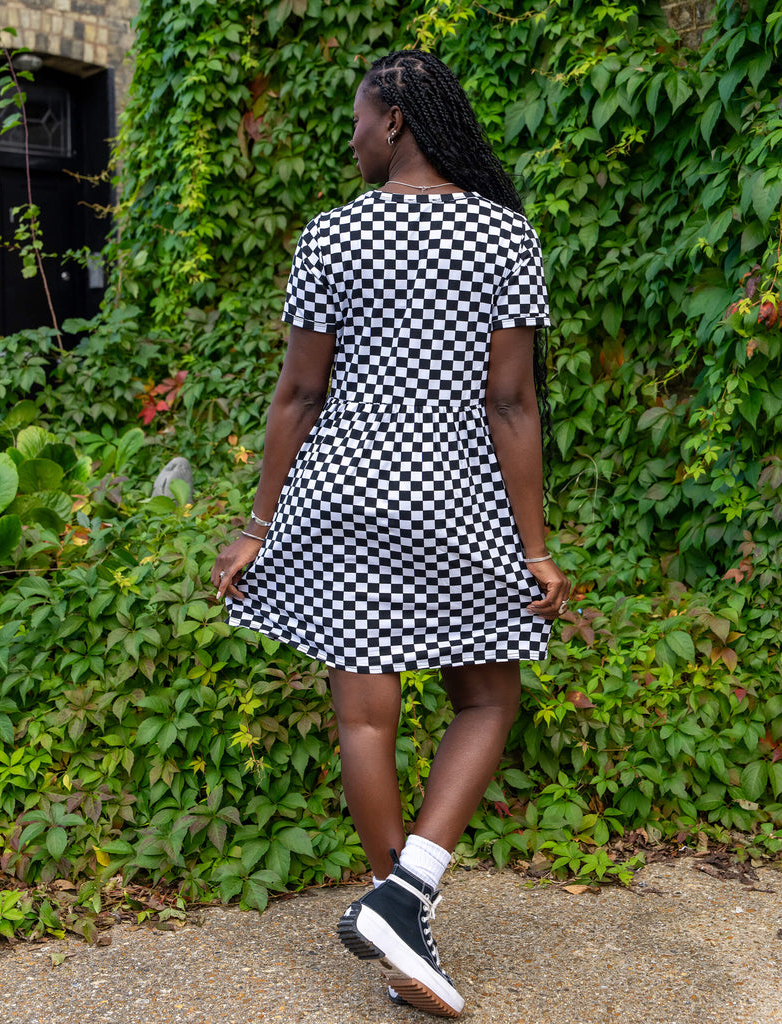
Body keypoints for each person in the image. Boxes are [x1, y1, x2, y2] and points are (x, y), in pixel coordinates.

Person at [210, 49, 570, 1019]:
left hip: (341, 496)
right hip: (452, 498)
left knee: (367, 719)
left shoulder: (331, 237)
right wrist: (533, 548)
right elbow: (511, 402)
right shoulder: (505, 238)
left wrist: (258, 525)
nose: (352, 134)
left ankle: (398, 916)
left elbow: (298, 391)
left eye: (359, 117)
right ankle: (407, 905)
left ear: (398, 120)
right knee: (488, 697)